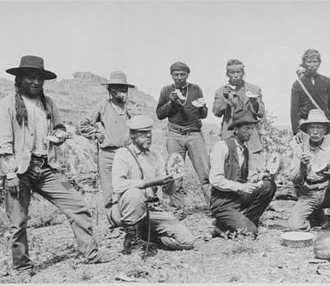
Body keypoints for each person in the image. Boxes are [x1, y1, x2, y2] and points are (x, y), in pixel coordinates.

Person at [0, 55, 112, 272]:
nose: (36, 83)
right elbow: (1, 142)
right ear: (19, 79)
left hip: (46, 168)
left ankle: (90, 254)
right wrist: (10, 174)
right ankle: (21, 267)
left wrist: (59, 135)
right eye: (31, 78)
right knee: (18, 222)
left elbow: (59, 127)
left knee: (77, 203)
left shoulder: (48, 103)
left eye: (40, 79)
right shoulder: (6, 105)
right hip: (20, 172)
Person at [109, 115, 195, 253]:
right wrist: (149, 183)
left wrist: (171, 179)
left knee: (187, 240)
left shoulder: (156, 157)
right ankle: (133, 240)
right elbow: (118, 185)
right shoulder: (123, 154)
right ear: (132, 135)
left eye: (149, 132)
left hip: (151, 210)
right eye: (143, 133)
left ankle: (148, 236)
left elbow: (168, 192)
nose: (148, 136)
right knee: (134, 193)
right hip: (125, 211)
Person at [79, 71, 137, 229]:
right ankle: (114, 223)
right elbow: (83, 125)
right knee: (109, 190)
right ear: (109, 90)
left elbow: (140, 125)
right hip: (108, 154)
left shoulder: (130, 107)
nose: (119, 91)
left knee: (129, 187)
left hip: (127, 153)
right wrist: (97, 134)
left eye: (123, 88)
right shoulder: (102, 106)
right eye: (116, 88)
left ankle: (130, 220)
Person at [156, 61, 211, 220]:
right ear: (171, 75)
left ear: (187, 75)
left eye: (182, 74)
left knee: (205, 172)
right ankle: (178, 210)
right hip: (175, 134)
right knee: (175, 173)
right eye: (176, 74)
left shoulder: (195, 89)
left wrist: (202, 107)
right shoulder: (166, 90)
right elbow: (159, 114)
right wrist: (171, 103)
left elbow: (204, 114)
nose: (179, 77)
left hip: (194, 133)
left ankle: (214, 208)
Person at [209, 109, 276, 237]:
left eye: (252, 129)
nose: (250, 132)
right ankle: (222, 226)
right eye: (247, 129)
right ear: (236, 129)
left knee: (268, 186)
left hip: (238, 198)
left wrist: (260, 177)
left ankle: (248, 220)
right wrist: (241, 186)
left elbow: (250, 177)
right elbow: (215, 180)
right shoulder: (221, 147)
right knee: (251, 233)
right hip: (222, 203)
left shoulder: (245, 151)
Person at [287, 109, 330, 231]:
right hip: (309, 193)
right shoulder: (301, 149)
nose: (315, 131)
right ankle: (316, 216)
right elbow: (294, 179)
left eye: (319, 127)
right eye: (312, 127)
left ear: (325, 130)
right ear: (307, 130)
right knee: (294, 226)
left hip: (328, 192)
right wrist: (302, 167)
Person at [212, 59, 265, 172]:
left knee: (257, 167)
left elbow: (261, 113)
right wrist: (224, 98)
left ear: (243, 72)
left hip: (251, 134)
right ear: (227, 74)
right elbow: (216, 112)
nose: (236, 75)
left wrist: (254, 102)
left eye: (238, 72)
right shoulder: (221, 91)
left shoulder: (254, 89)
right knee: (231, 166)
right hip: (231, 132)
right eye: (232, 73)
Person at [290, 49, 330, 144]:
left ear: (319, 63)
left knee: (326, 150)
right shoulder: (297, 84)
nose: (312, 65)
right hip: (305, 124)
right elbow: (294, 108)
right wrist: (296, 130)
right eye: (309, 62)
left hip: (323, 123)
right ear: (304, 63)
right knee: (306, 153)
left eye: (315, 62)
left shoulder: (327, 81)